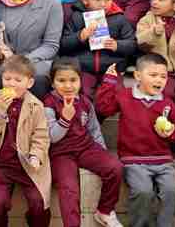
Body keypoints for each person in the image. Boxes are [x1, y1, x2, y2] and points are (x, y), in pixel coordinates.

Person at [96, 54, 175, 227]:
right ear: (137, 76)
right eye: (153, 75)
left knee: (171, 190)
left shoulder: (167, 104)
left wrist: (171, 133)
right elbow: (103, 108)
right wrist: (109, 82)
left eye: (163, 76)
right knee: (143, 191)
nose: (159, 80)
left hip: (163, 160)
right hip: (133, 160)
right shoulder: (125, 96)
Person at [42, 57, 123, 227]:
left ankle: (105, 210)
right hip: (60, 153)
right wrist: (65, 118)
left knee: (114, 167)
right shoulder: (48, 104)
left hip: (86, 148)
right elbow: (52, 137)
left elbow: (94, 130)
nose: (68, 85)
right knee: (69, 189)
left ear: (80, 81)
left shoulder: (85, 101)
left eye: (73, 80)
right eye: (61, 80)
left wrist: (102, 152)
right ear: (52, 82)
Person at [0, 55, 51, 227]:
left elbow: (41, 136)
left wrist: (35, 156)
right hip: (2, 164)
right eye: (7, 78)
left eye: (18, 80)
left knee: (38, 203)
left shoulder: (36, 106)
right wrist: (0, 110)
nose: (11, 83)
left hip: (27, 164)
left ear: (30, 83)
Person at [60, 0, 136, 100]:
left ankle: (98, 118)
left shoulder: (119, 18)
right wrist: (81, 36)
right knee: (84, 93)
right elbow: (64, 45)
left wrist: (118, 45)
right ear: (85, 0)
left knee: (111, 96)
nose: (103, 4)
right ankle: (87, 117)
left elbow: (132, 44)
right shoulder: (77, 17)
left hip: (112, 69)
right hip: (84, 69)